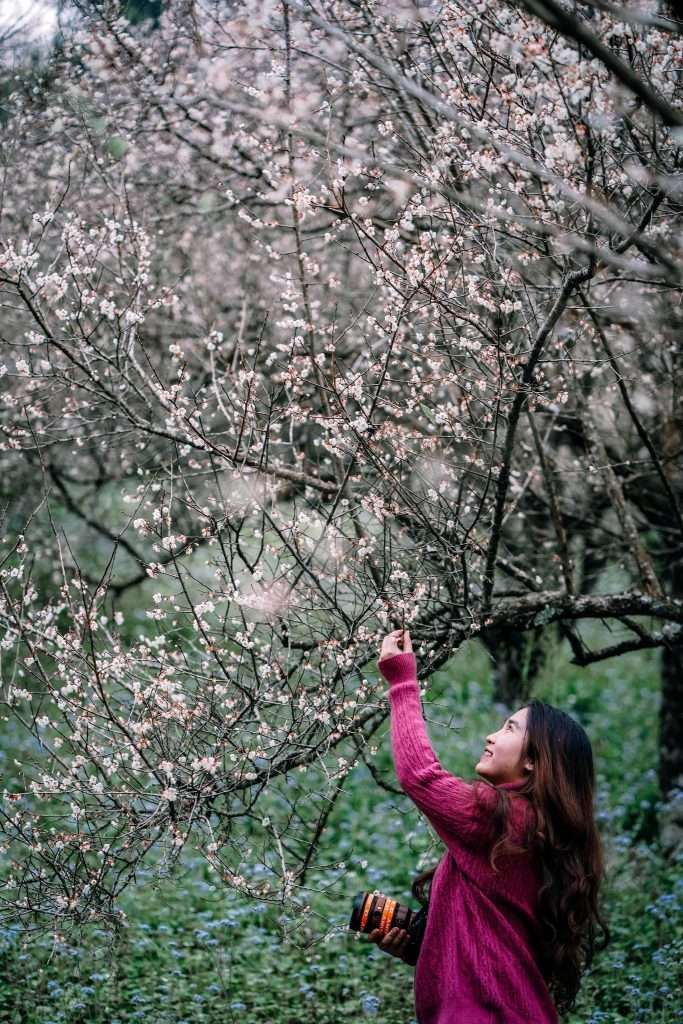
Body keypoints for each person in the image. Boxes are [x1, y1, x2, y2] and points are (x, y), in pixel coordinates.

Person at [367, 628, 610, 1023]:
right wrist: (418, 947)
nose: (491, 735)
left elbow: (420, 776)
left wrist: (402, 680)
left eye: (510, 728)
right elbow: (495, 946)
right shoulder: (539, 832)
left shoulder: (501, 817)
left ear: (534, 760)